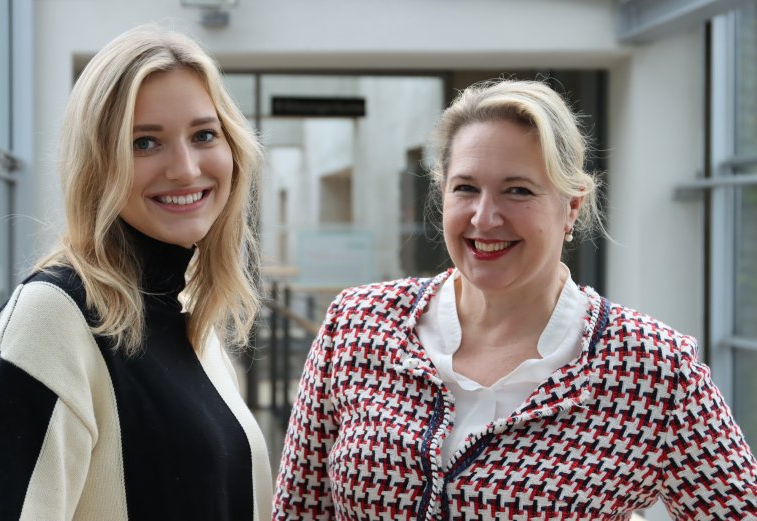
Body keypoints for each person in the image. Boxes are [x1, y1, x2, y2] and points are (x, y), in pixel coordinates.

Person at [272, 80, 757, 519]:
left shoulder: (653, 367)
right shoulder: (358, 324)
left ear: (571, 208)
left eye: (517, 191)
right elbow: (298, 511)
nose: (485, 218)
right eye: (466, 188)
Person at [0, 25, 272, 521]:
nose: (184, 168)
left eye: (204, 134)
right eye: (144, 143)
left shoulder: (190, 321)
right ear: (97, 163)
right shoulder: (53, 320)